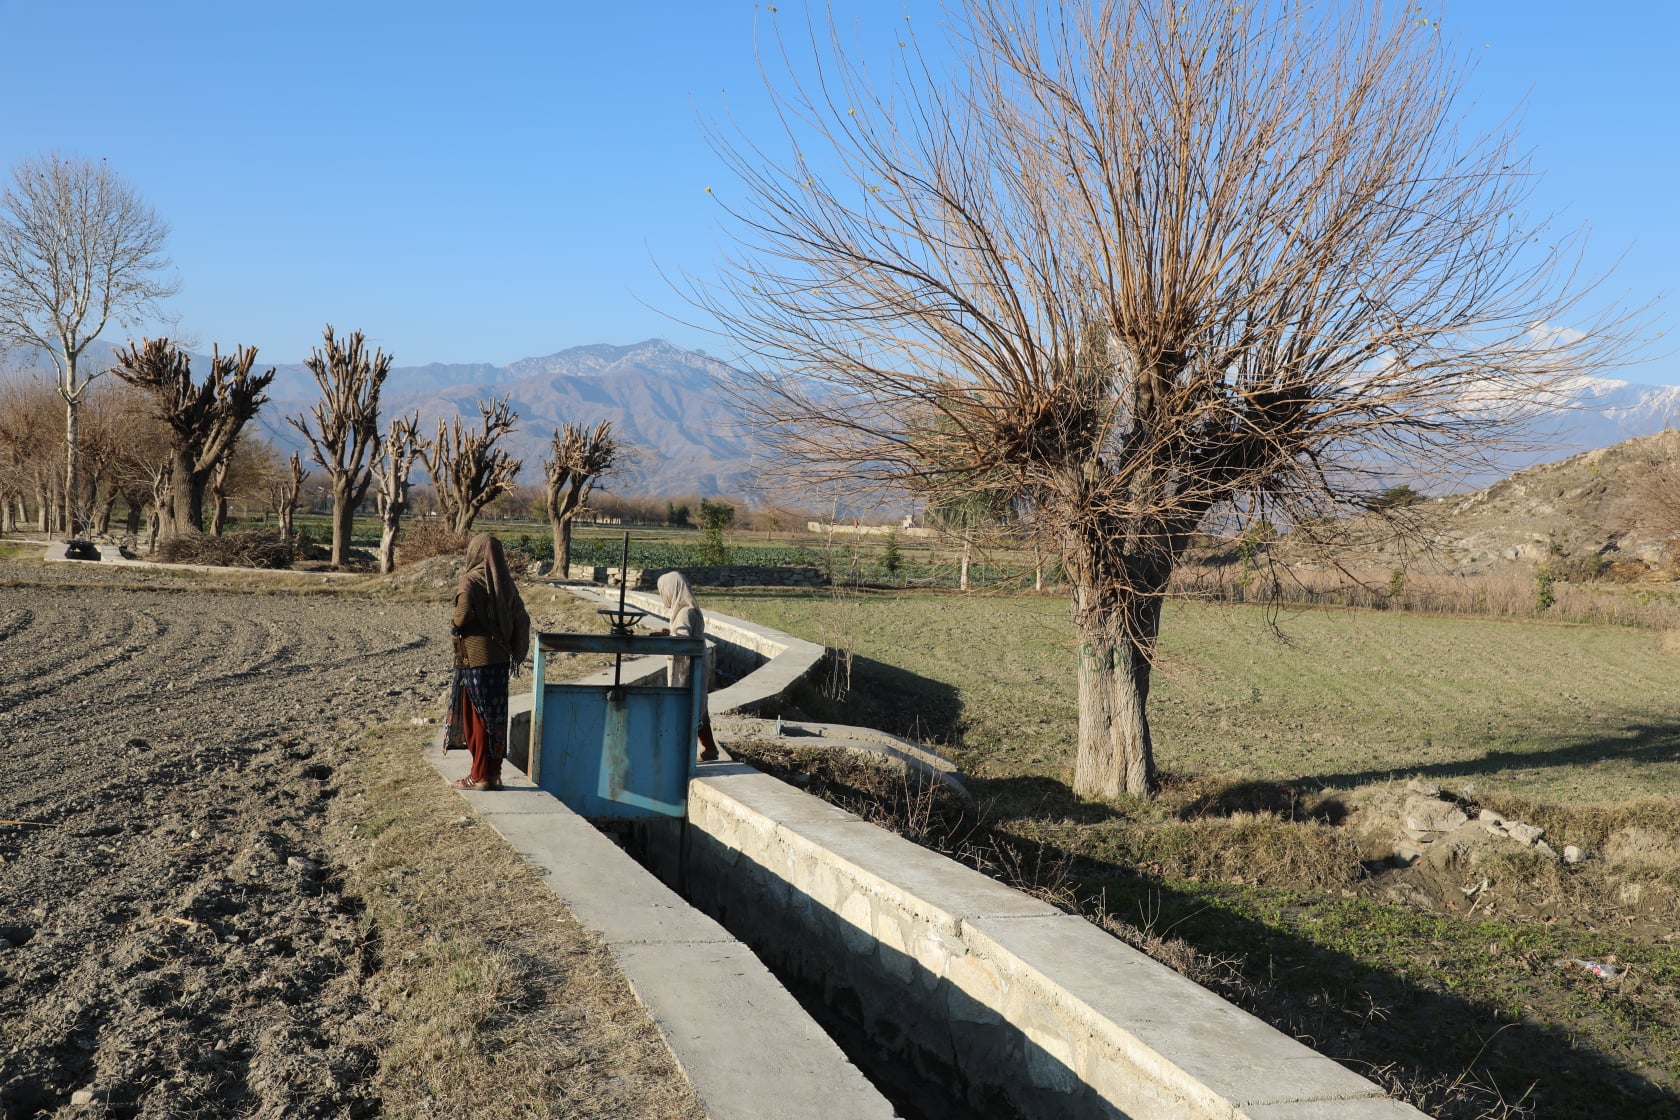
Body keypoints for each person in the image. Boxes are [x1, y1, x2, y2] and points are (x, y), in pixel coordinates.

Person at [447, 534, 530, 790]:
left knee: (477, 718)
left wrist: (454, 624)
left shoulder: (470, 580)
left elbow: (461, 615)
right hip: (500, 660)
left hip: (475, 659)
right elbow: (521, 618)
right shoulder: (504, 584)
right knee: (495, 716)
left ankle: (478, 775)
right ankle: (494, 774)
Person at [656, 570, 720, 762]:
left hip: (689, 668)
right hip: (696, 664)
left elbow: (682, 642)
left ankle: (681, 754)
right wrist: (670, 632)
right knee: (699, 707)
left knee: (688, 708)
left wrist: (666, 639)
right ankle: (710, 749)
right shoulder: (688, 610)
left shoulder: (685, 612)